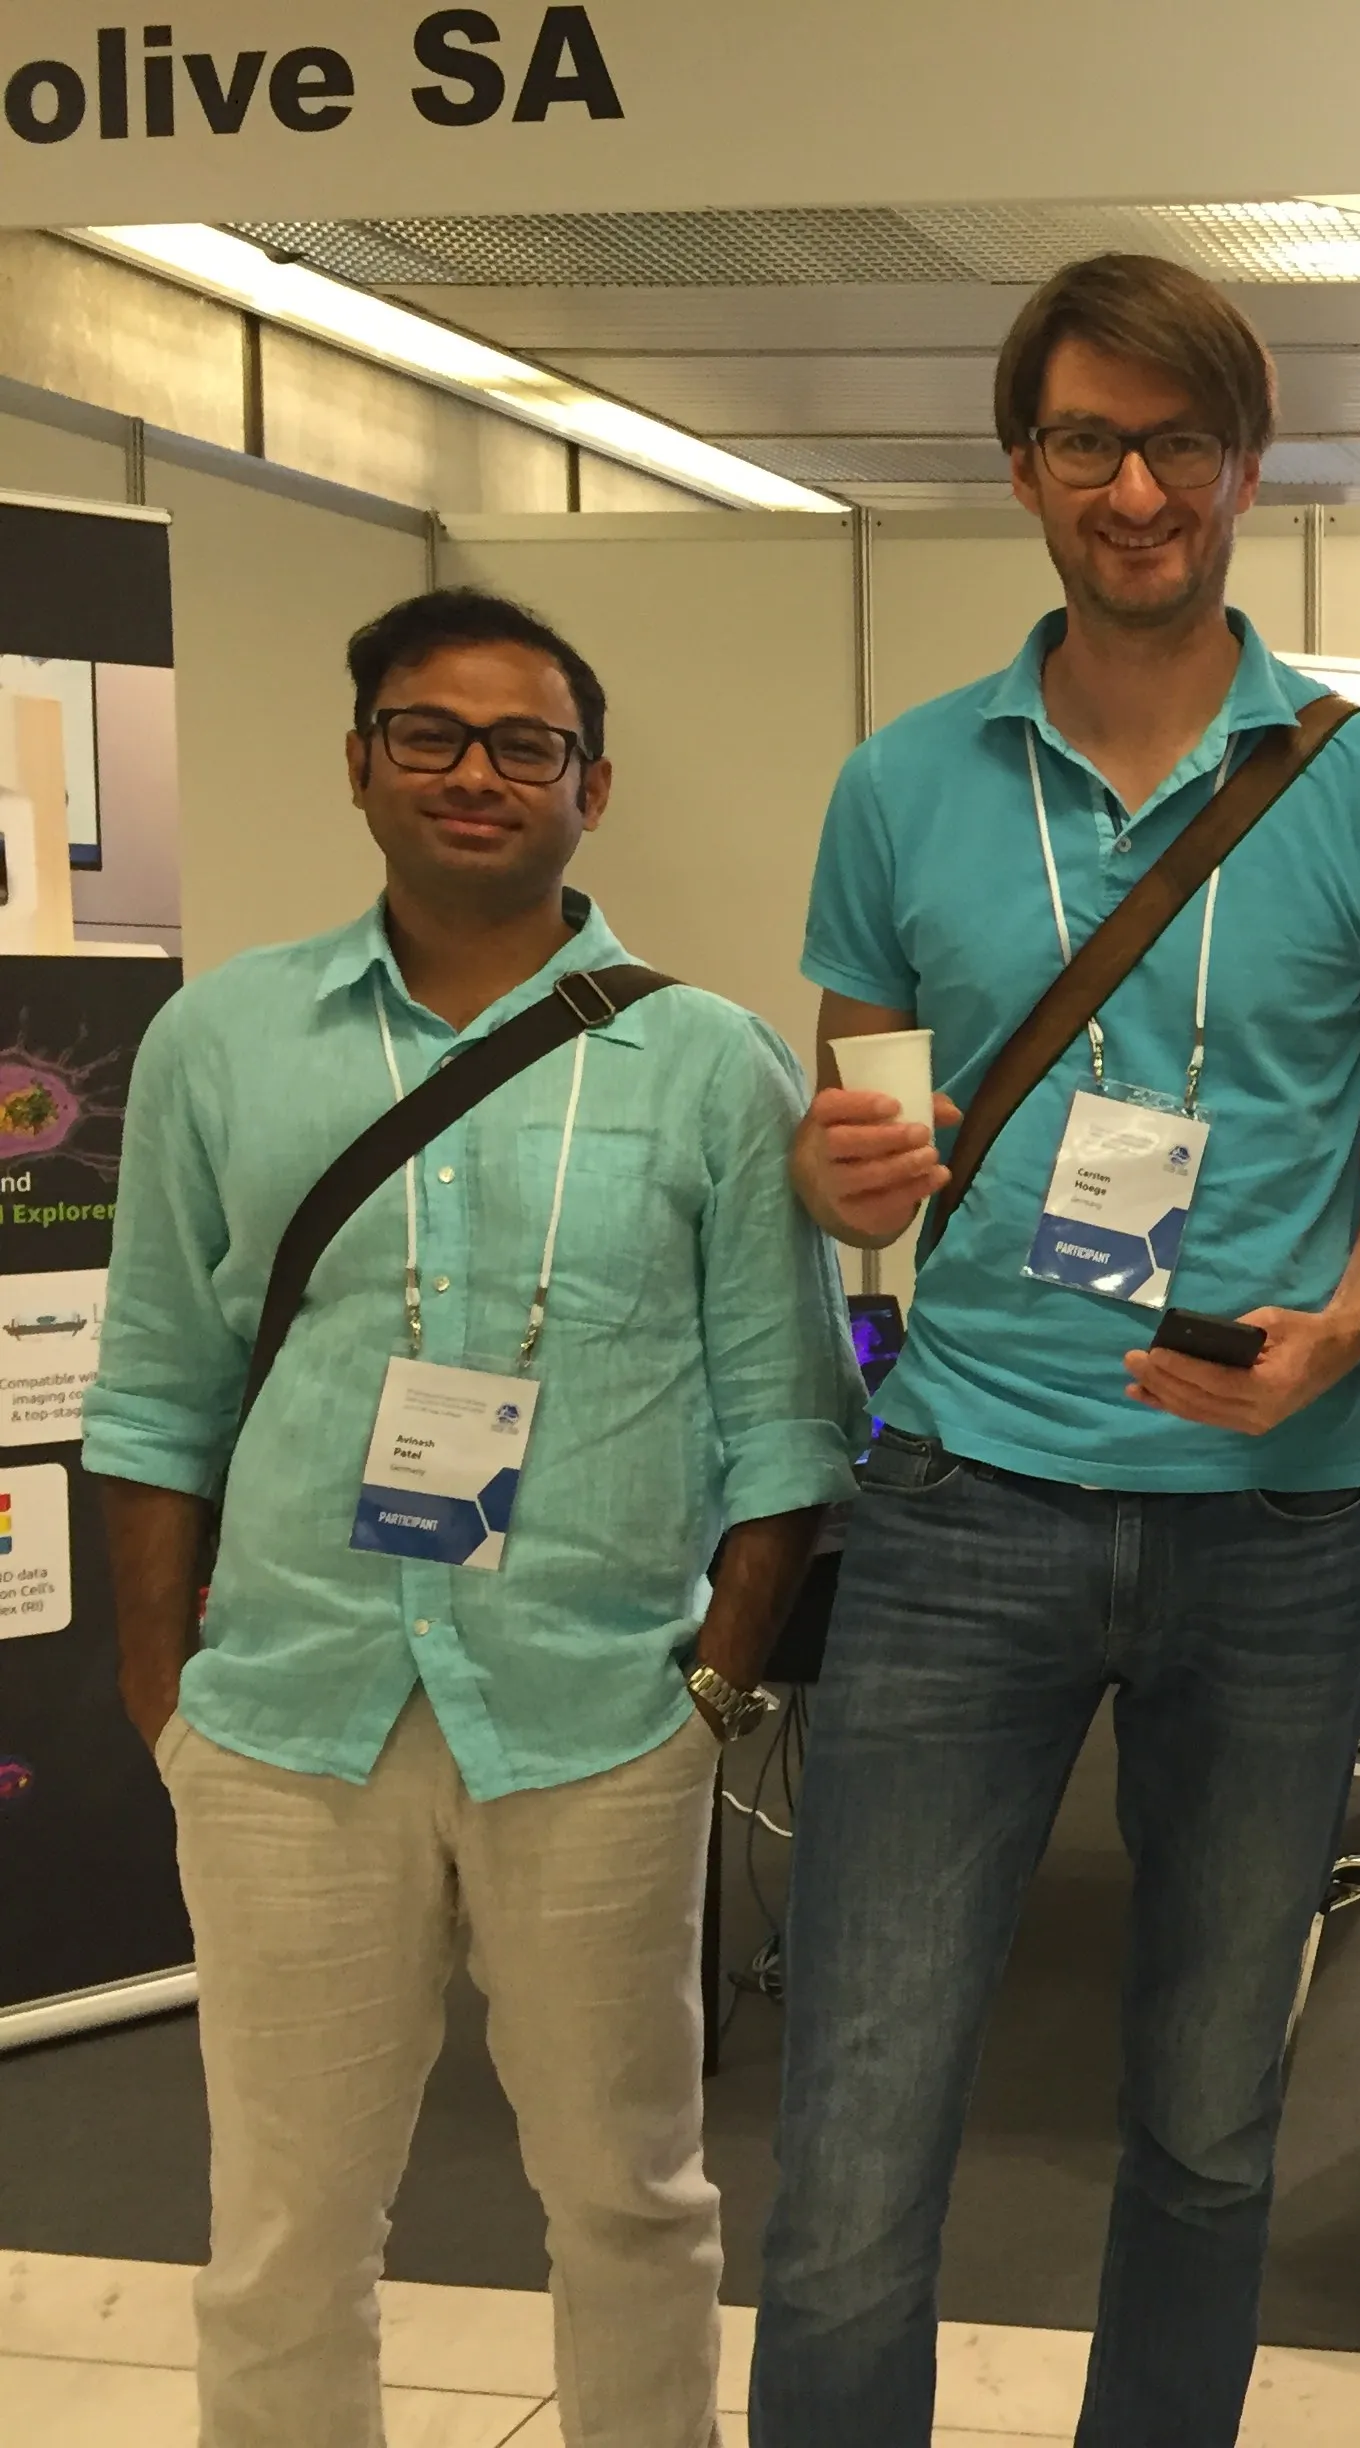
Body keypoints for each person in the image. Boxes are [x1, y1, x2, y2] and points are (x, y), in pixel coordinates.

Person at [747, 254, 1360, 2448]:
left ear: (1248, 467)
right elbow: (852, 1124)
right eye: (1087, 441)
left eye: (1178, 442)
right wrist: (835, 1172)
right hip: (965, 1501)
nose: (1136, 486)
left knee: (1207, 2119)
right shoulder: (903, 783)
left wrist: (1349, 1328)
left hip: (1274, 1525)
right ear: (1023, 469)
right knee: (859, 2144)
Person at [87, 587, 865, 2448]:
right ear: (358, 761)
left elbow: (788, 1424)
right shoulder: (220, 1041)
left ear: (591, 787)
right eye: (429, 733)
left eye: (527, 744)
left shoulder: (708, 1060)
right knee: (282, 2232)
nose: (477, 773)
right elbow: (155, 1391)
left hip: (594, 1722)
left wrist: (709, 1686)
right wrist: (162, 1698)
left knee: (629, 2202)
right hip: (286, 1720)